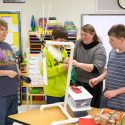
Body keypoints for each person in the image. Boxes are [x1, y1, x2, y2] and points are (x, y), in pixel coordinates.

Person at [89, 24, 125, 112]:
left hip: (121, 102)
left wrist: (116, 92)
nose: (109, 42)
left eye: (112, 40)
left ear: (122, 39)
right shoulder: (112, 52)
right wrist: (98, 79)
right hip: (106, 98)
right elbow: (109, 70)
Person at [72, 24, 106, 108]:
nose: (83, 37)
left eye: (85, 35)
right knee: (79, 108)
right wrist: (68, 60)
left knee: (91, 108)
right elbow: (73, 58)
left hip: (93, 84)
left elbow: (95, 68)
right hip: (79, 82)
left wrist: (78, 64)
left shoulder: (99, 48)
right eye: (81, 34)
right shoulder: (78, 43)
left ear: (93, 34)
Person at [40, 26, 69, 104]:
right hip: (52, 91)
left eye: (64, 41)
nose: (62, 43)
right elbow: (44, 72)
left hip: (63, 89)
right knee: (53, 115)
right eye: (60, 40)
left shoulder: (63, 50)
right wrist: (61, 67)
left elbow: (65, 68)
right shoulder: (46, 51)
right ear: (53, 38)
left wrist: (68, 63)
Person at [0, 19, 20, 125]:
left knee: (11, 119)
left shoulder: (7, 45)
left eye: (6, 30)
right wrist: (7, 72)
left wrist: (19, 71)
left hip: (13, 91)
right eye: (1, 29)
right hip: (2, 94)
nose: (4, 32)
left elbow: (13, 61)